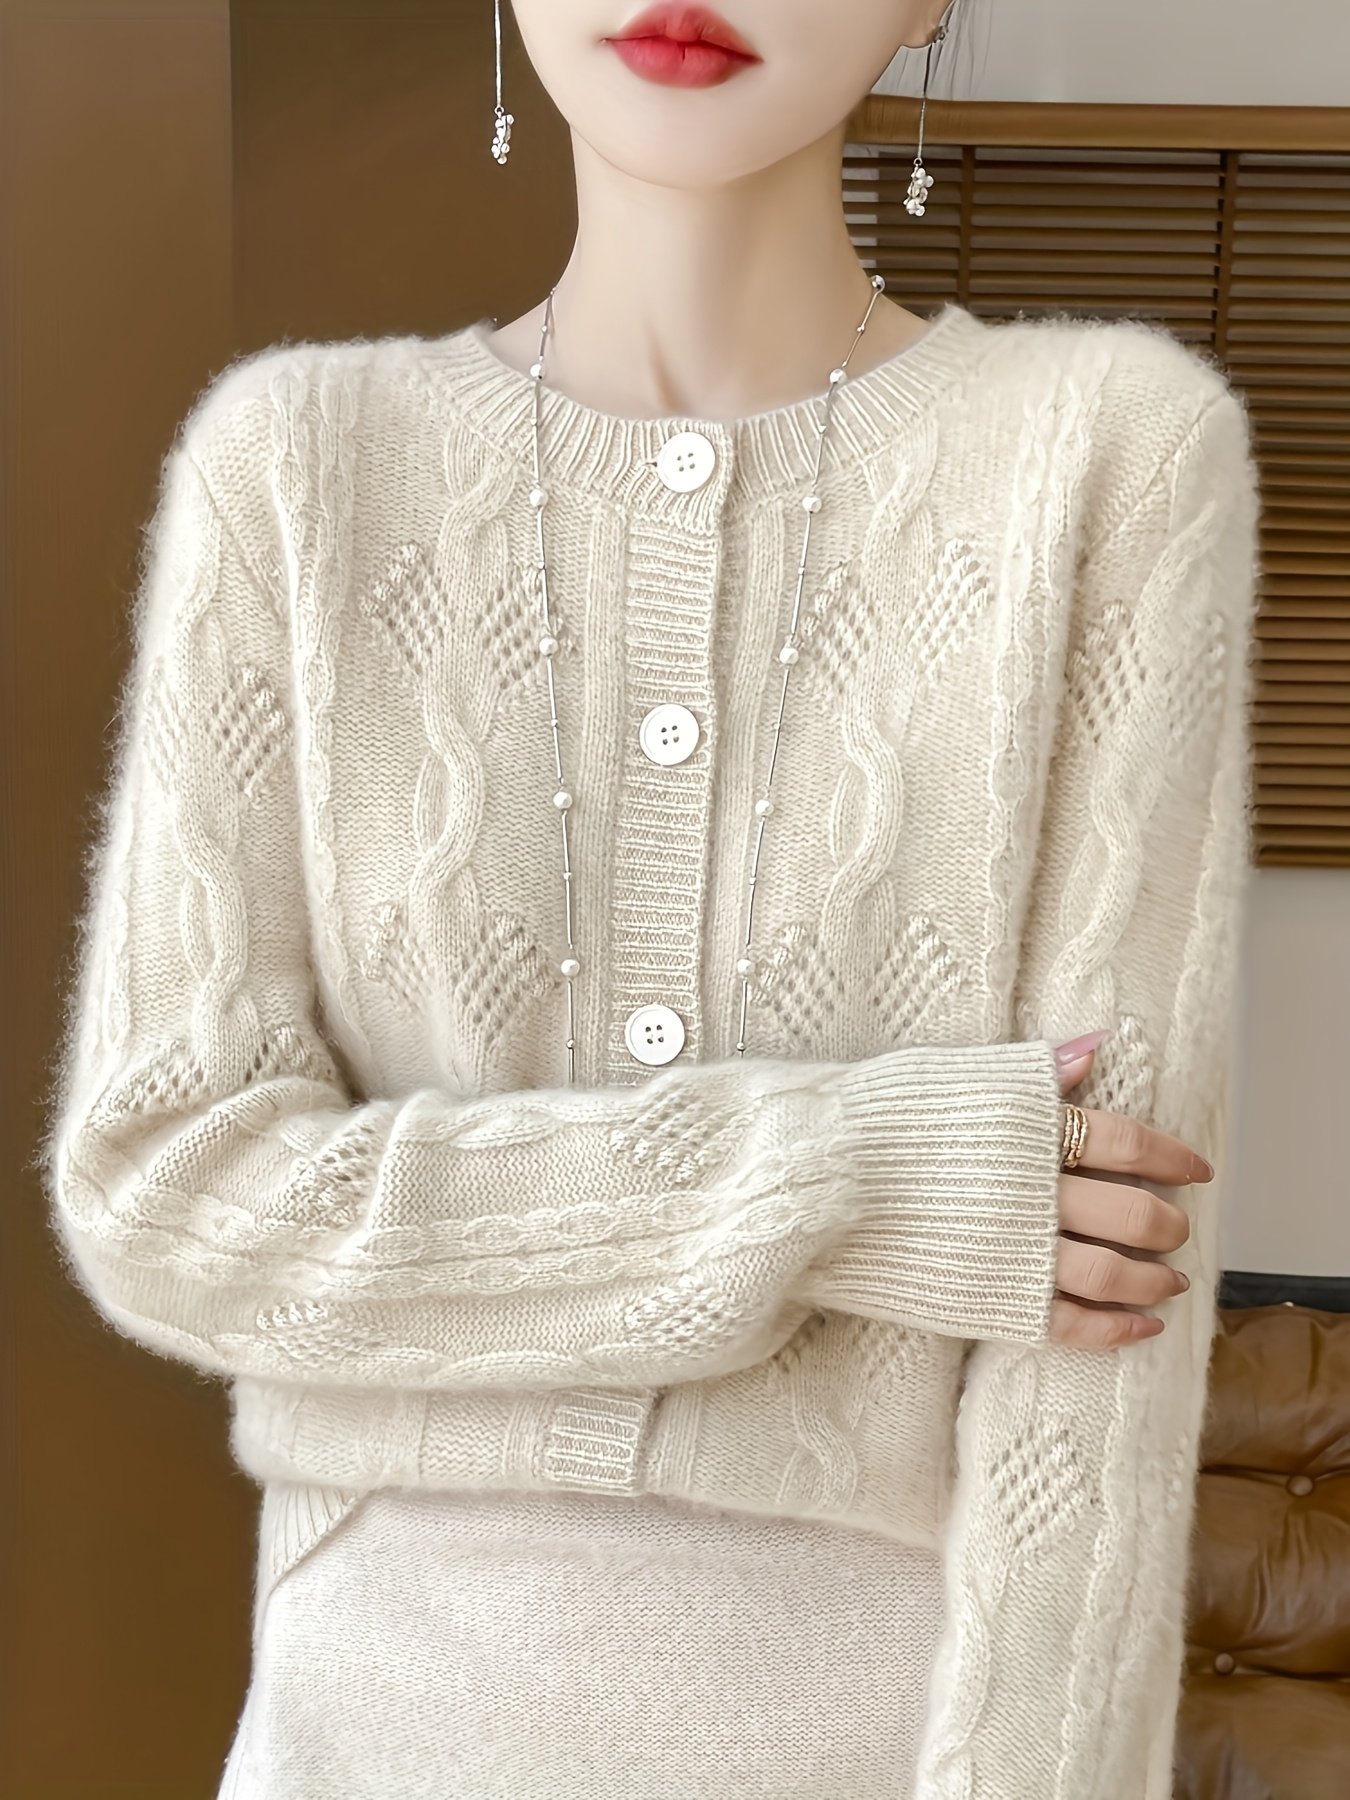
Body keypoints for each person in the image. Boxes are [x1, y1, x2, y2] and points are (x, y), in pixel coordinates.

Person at [38, 1, 1262, 1795]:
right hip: (375, 1722)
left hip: (887, 1728)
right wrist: (862, 1178)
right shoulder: (294, 462)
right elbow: (167, 1191)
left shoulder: (1109, 451)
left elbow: (1108, 1331)